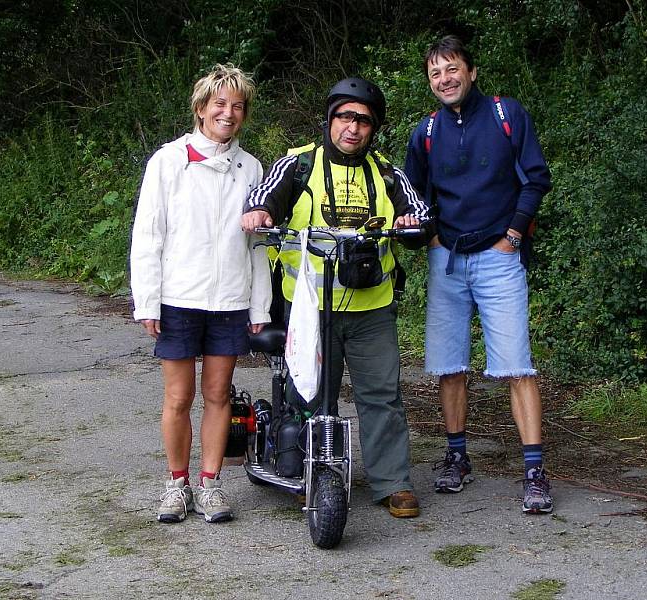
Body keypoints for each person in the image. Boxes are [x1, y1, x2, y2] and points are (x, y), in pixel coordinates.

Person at [241, 77, 431, 518]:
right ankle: (301, 467)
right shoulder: (298, 165)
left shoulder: (386, 172)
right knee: (306, 391)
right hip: (310, 306)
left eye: (364, 121)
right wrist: (262, 211)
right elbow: (264, 195)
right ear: (330, 120)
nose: (353, 128)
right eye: (345, 116)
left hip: (371, 309)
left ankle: (393, 483)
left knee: (381, 394)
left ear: (373, 129)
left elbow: (418, 211)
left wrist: (412, 223)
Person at [404, 36, 554, 513]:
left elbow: (536, 177)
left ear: (470, 71)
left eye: (452, 69)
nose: (444, 79)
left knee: (517, 366)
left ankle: (534, 471)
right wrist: (429, 237)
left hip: (499, 257)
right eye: (434, 74)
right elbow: (413, 196)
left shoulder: (506, 114)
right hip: (446, 259)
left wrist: (512, 235)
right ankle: (456, 456)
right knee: (450, 367)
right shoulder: (425, 131)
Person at [130, 64, 271, 524]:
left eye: (237, 106)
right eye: (220, 105)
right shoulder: (168, 161)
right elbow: (148, 236)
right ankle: (177, 485)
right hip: (178, 298)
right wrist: (148, 300)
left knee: (218, 395)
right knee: (178, 397)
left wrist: (260, 304)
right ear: (200, 109)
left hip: (230, 300)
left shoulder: (251, 168)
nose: (228, 114)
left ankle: (210, 485)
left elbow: (257, 243)